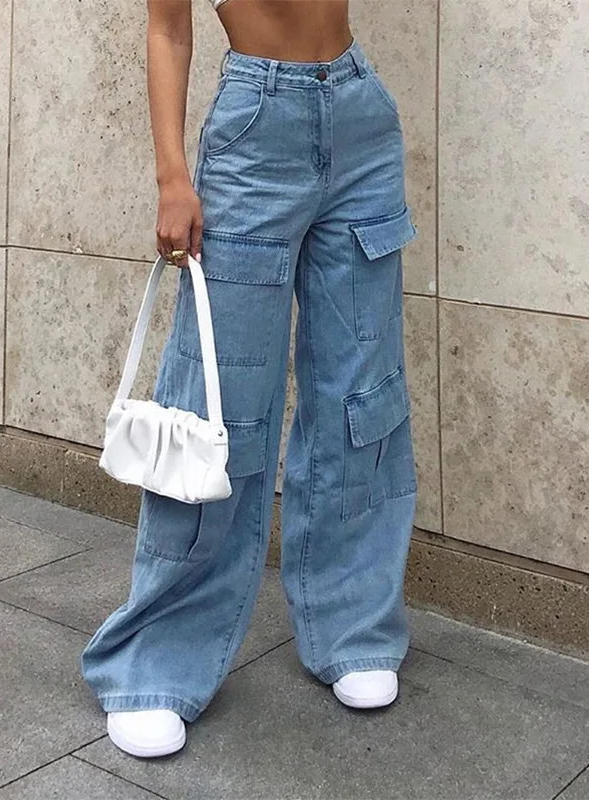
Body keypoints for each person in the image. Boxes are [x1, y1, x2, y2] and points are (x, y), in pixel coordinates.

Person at [81, 0, 418, 758]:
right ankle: (156, 661)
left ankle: (354, 626)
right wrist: (173, 176)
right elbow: (168, 28)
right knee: (219, 401)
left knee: (362, 394)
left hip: (360, 116)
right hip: (255, 130)